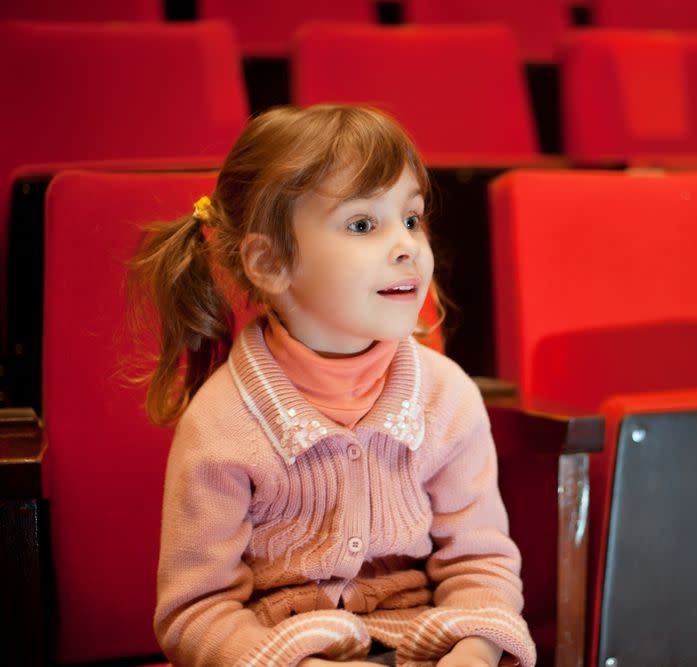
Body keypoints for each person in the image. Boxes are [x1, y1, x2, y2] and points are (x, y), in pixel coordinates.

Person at [130, 104, 535, 667]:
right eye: (364, 224)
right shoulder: (221, 421)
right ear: (270, 263)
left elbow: (480, 565)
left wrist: (477, 648)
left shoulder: (449, 396)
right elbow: (196, 613)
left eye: (412, 219)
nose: (407, 246)